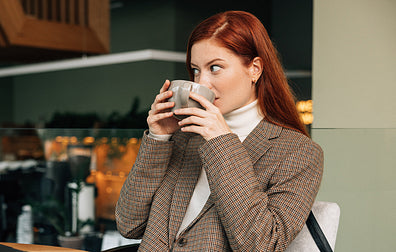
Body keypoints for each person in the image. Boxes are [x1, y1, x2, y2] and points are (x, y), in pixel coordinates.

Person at [115, 10, 323, 251]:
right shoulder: (183, 136)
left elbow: (261, 245)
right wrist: (159, 138)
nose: (201, 83)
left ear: (254, 68)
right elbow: (129, 224)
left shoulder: (299, 153)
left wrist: (221, 142)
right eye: (195, 70)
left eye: (215, 68)